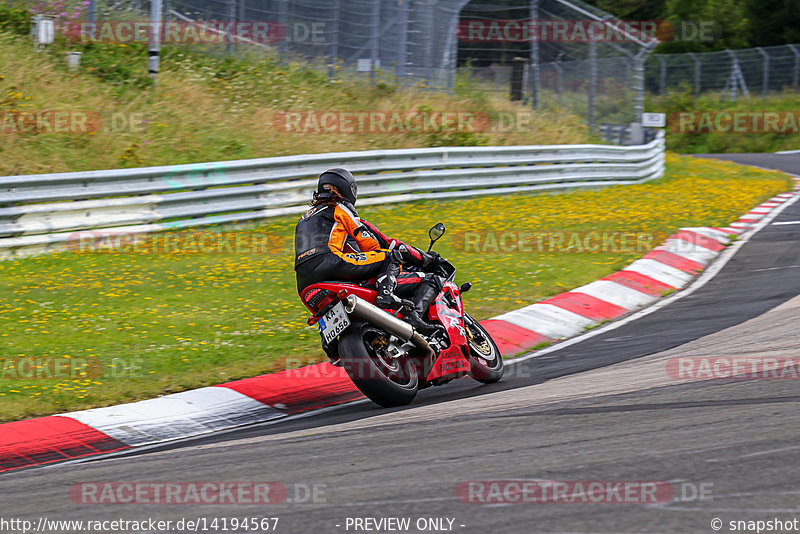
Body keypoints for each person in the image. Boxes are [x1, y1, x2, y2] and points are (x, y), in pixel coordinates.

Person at [294, 168, 441, 334]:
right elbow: (368, 242)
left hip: (303, 280)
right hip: (331, 262)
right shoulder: (339, 209)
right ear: (345, 189)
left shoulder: (304, 218)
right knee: (390, 256)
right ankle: (386, 295)